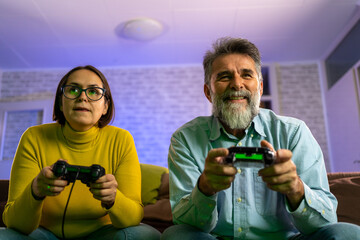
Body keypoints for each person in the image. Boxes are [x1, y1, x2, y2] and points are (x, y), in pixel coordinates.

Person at [161, 37, 360, 240]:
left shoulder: (293, 132)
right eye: (224, 77)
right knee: (176, 235)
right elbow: (185, 223)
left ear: (260, 87)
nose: (237, 84)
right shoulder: (185, 139)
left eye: (246, 75)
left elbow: (327, 221)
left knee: (348, 233)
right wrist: (205, 188)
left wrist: (296, 188)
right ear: (208, 92)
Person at [0, 65, 161, 239]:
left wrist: (113, 198)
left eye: (93, 91)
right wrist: (36, 190)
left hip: (101, 234)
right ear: (61, 102)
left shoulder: (121, 139)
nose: (82, 97)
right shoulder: (33, 137)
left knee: (146, 235)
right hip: (44, 233)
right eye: (73, 90)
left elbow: (133, 218)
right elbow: (14, 223)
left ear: (105, 106)